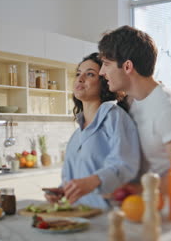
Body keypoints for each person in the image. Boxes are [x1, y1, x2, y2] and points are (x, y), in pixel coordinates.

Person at [98, 25, 171, 193]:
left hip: (167, 215)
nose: (102, 72)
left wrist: (136, 190)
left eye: (106, 64)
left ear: (127, 67)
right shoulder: (130, 104)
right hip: (137, 211)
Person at [44, 52, 144, 209]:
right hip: (77, 218)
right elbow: (74, 180)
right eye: (78, 74)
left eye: (90, 74)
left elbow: (124, 165)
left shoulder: (114, 116)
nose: (80, 79)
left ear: (104, 81)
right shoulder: (76, 136)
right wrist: (63, 191)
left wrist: (94, 181)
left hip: (106, 220)